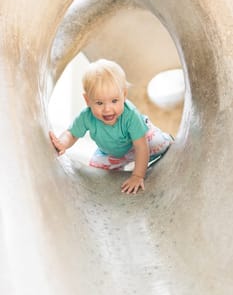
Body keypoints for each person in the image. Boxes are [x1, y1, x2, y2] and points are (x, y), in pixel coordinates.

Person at [49, 59, 173, 194]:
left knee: (158, 143)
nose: (108, 109)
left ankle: (167, 139)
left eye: (114, 101)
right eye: (99, 103)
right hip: (111, 152)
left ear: (124, 95)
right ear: (87, 100)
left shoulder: (130, 115)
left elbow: (141, 146)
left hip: (141, 141)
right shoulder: (86, 116)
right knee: (95, 173)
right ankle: (120, 165)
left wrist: (137, 176)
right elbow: (71, 134)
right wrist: (62, 144)